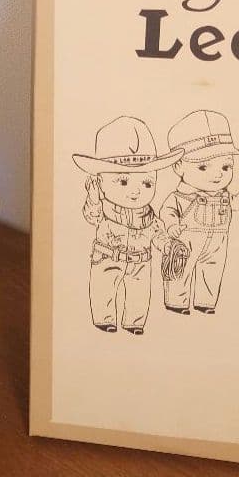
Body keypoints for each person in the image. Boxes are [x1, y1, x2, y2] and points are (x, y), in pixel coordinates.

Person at [72, 116, 181, 334]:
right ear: (100, 183)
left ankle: (134, 322)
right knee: (103, 289)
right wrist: (93, 198)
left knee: (139, 293)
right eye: (122, 181)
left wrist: (167, 244)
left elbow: (156, 231)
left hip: (141, 260)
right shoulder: (104, 207)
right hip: (107, 256)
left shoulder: (148, 213)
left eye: (147, 183)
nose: (136, 191)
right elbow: (92, 217)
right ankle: (104, 319)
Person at [159, 110, 239, 315]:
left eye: (226, 166)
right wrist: (172, 225)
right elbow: (168, 210)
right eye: (203, 167)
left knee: (212, 270)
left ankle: (205, 302)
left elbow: (236, 202)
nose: (218, 174)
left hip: (217, 242)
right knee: (180, 268)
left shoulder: (224, 196)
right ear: (178, 167)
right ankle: (176, 302)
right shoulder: (181, 196)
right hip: (186, 239)